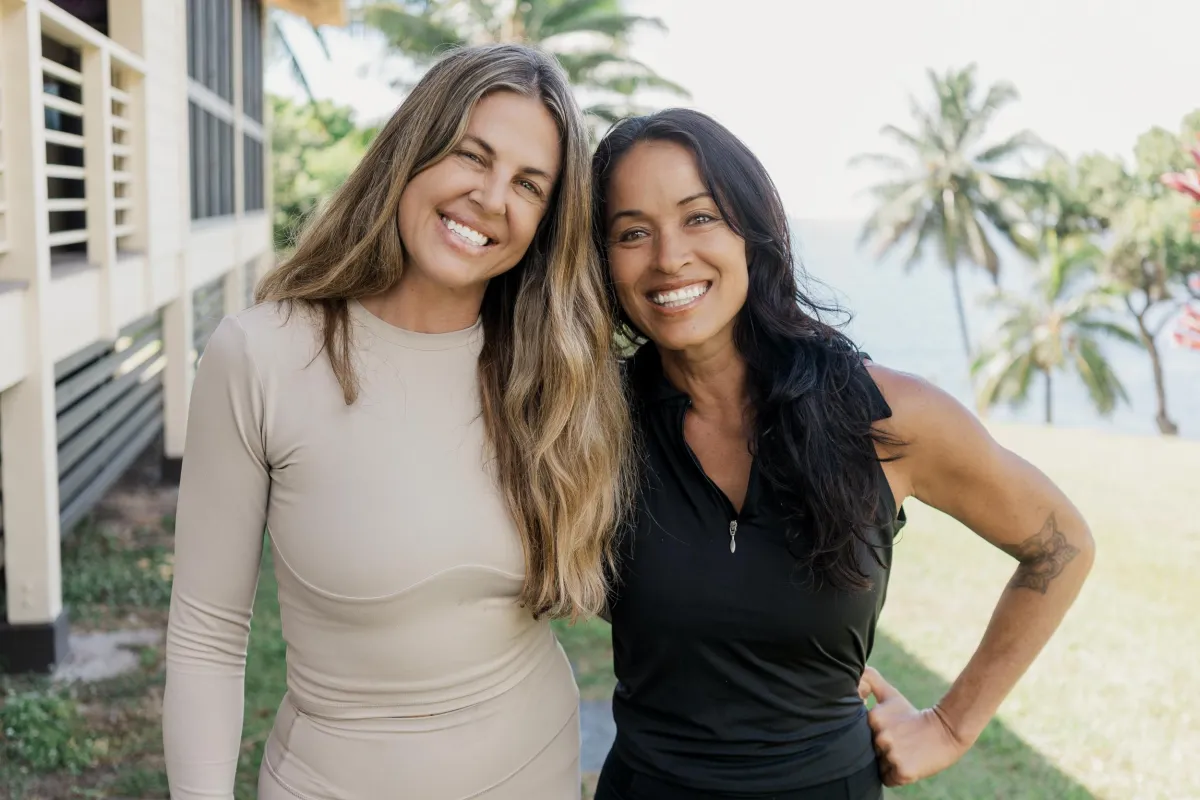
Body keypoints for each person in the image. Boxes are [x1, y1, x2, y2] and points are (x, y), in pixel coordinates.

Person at [162, 43, 633, 800]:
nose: (490, 196)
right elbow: (207, 633)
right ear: (413, 148)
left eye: (528, 185)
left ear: (546, 223)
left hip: (534, 773)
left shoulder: (558, 377)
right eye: (470, 155)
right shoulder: (261, 356)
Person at [590, 108, 1096, 800]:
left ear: (753, 232)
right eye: (631, 232)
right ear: (602, 263)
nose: (668, 256)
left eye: (700, 217)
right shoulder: (589, 427)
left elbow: (1062, 544)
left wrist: (950, 726)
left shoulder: (885, 419)